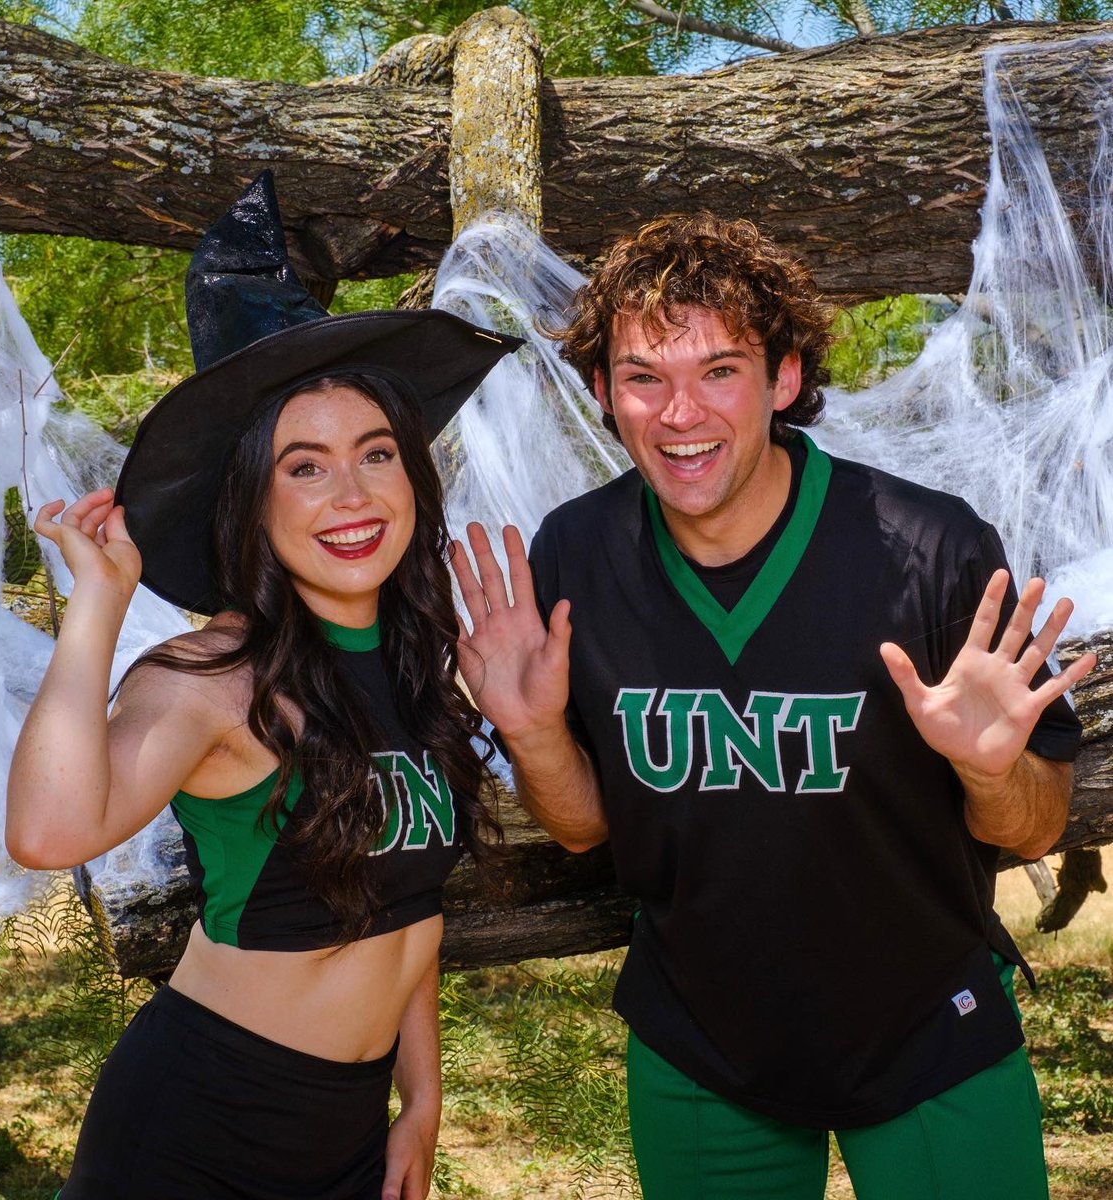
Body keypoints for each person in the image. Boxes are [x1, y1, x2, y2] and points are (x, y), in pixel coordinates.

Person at [450, 212, 1097, 1200]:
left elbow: (1037, 821)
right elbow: (588, 830)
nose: (680, 414)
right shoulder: (576, 560)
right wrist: (536, 734)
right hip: (703, 1043)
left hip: (927, 1029)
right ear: (602, 394)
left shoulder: (928, 551)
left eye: (719, 371)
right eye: (643, 378)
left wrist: (989, 765)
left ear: (783, 380)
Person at [5, 171, 520, 1200]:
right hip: (201, 1128)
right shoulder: (211, 680)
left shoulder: (420, 664)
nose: (353, 493)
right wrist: (98, 606)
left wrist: (421, 1096)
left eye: (377, 452)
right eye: (305, 467)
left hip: (349, 1126)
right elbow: (47, 835)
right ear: (251, 499)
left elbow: (405, 913)